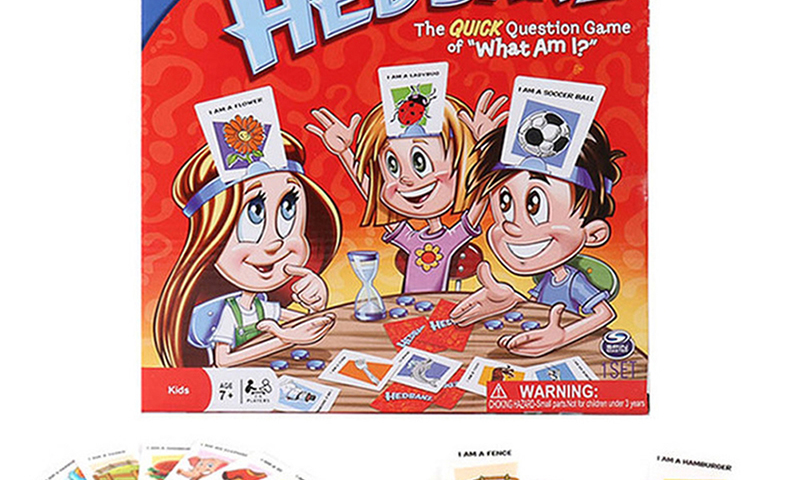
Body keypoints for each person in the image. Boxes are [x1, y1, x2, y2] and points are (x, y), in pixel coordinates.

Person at [153, 130, 340, 367]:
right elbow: (223, 360)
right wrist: (284, 338)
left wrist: (317, 305)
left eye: (288, 209)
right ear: (212, 238)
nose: (274, 243)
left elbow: (305, 323)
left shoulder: (260, 305)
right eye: (254, 216)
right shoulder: (228, 312)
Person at [450, 121, 623, 357]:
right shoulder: (546, 278)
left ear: (593, 233)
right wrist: (510, 299)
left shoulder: (574, 282)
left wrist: (564, 336)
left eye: (534, 206)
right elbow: (538, 307)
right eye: (505, 204)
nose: (512, 226)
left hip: (571, 353)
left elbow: (605, 314)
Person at [306, 90, 507, 293]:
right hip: (408, 306)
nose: (405, 180)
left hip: (440, 307)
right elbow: (371, 193)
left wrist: (487, 148)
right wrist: (344, 153)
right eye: (392, 166)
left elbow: (480, 198)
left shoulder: (450, 239)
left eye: (420, 163)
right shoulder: (410, 239)